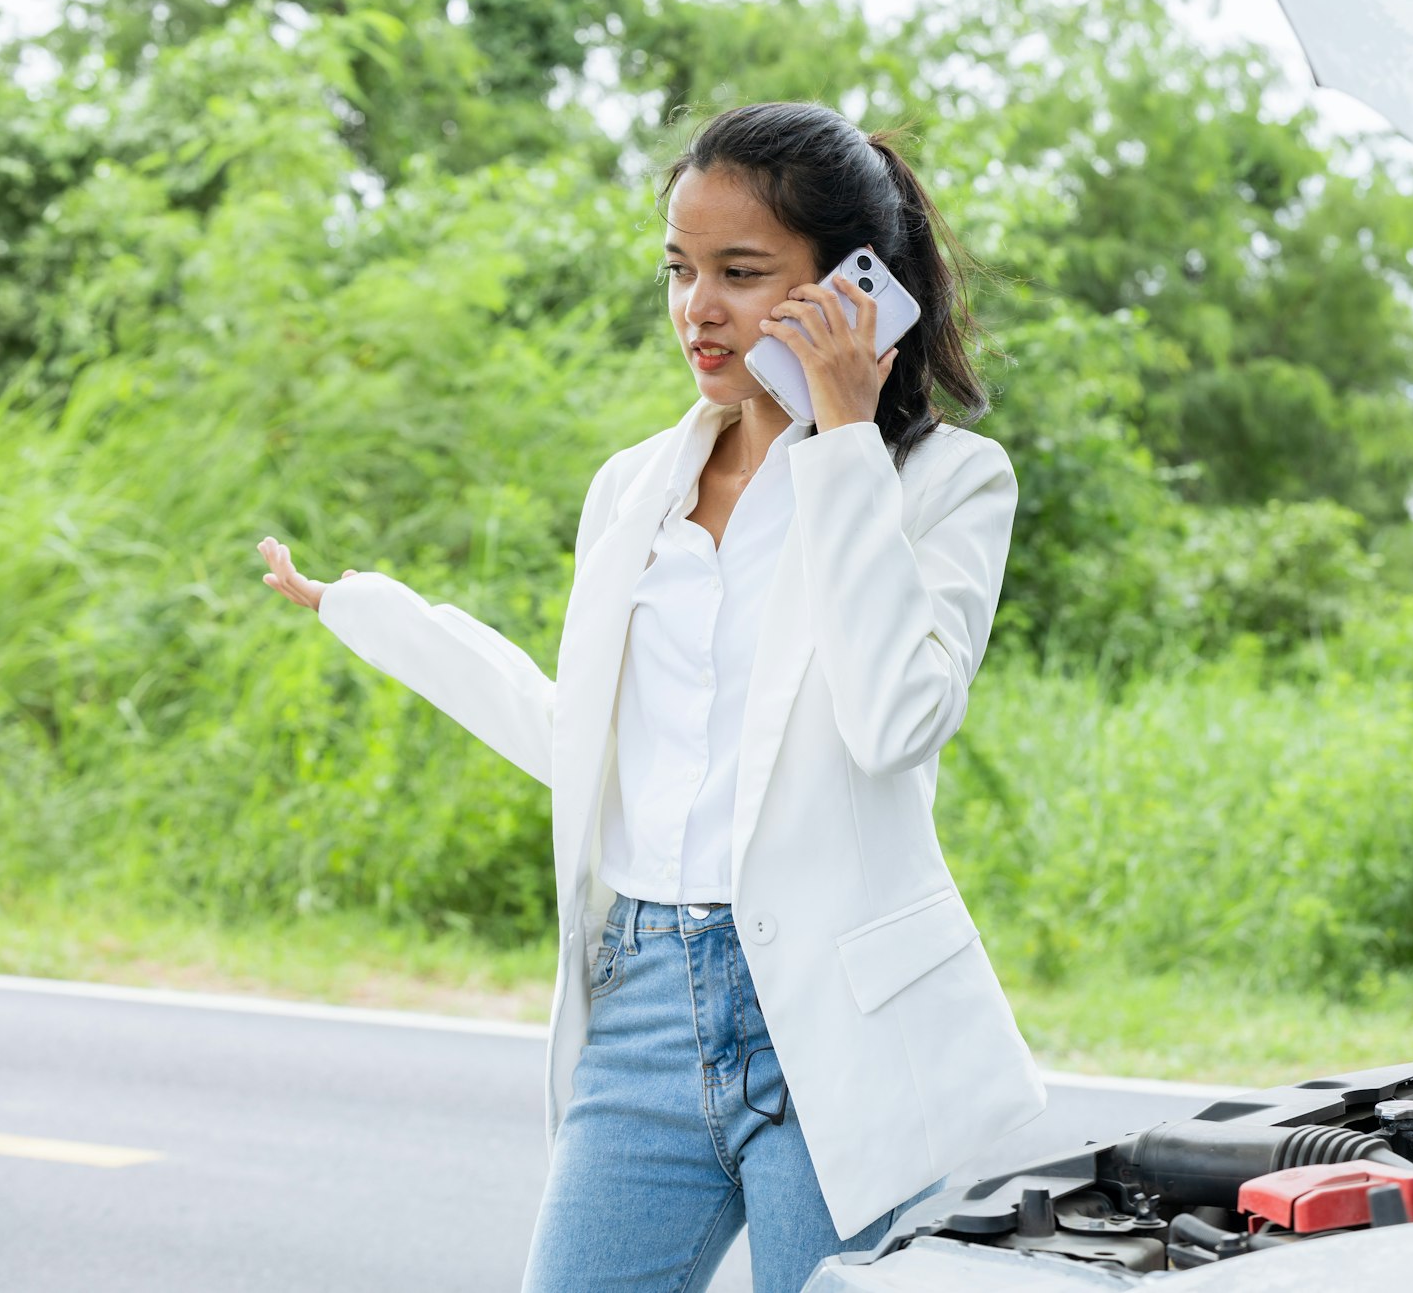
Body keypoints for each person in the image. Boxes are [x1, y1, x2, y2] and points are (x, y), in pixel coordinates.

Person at [255, 100, 1047, 1292]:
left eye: (741, 272)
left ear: (856, 287)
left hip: (832, 1021)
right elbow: (582, 740)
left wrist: (836, 435)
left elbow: (895, 720)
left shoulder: (942, 484)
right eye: (681, 270)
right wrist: (376, 617)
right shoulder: (634, 487)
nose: (699, 309)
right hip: (643, 1008)